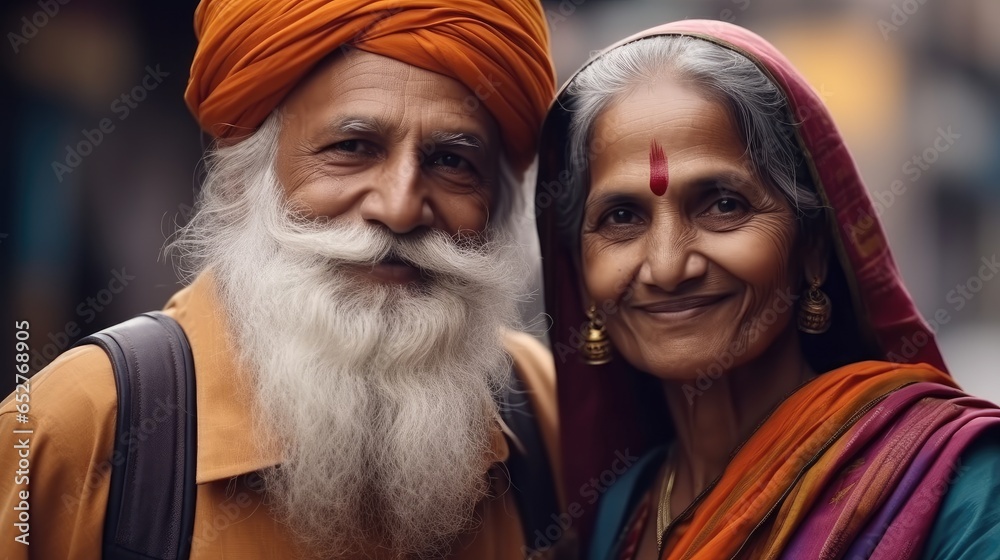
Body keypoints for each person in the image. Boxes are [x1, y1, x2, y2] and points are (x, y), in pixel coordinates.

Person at [0, 1, 563, 558]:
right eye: (352, 148)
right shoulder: (79, 423)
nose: (400, 208)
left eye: (451, 161)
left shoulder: (536, 403)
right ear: (244, 178)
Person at [535, 20, 1000, 560]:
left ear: (813, 250)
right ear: (581, 268)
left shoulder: (958, 487)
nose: (666, 267)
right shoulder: (622, 509)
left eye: (723, 205)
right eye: (621, 217)